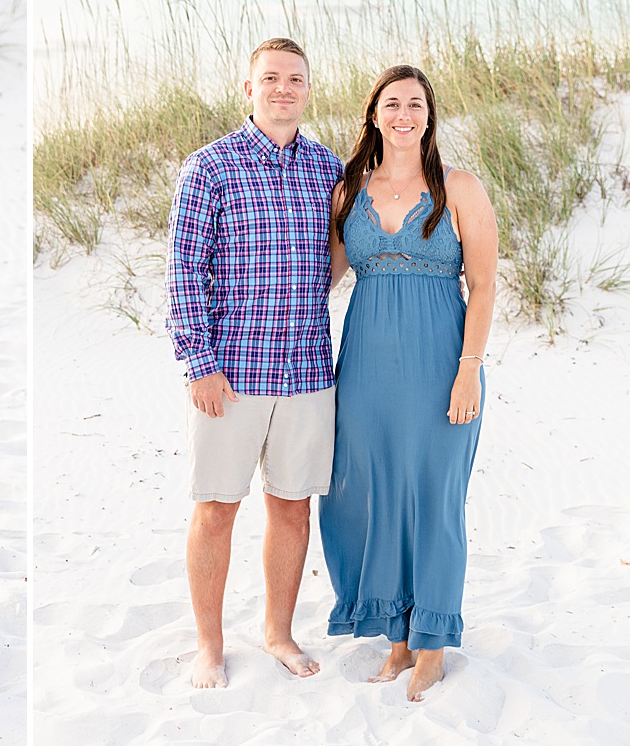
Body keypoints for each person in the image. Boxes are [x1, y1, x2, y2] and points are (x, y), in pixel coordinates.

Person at [166, 38, 343, 688]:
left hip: (306, 373)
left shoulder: (329, 170)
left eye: (295, 78)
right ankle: (209, 645)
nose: (283, 88)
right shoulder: (208, 168)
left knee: (292, 507)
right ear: (249, 89)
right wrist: (198, 362)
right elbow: (183, 272)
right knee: (216, 506)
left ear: (307, 88)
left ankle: (278, 631)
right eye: (270, 78)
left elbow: (342, 257)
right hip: (231, 376)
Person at [318, 64, 497, 702]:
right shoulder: (348, 191)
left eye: (415, 104)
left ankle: (431, 647)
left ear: (429, 115)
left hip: (441, 368)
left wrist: (468, 370)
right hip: (365, 372)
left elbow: (483, 286)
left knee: (435, 502)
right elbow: (322, 281)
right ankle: (395, 637)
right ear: (373, 114)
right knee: (370, 498)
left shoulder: (459, 188)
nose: (403, 114)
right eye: (391, 103)